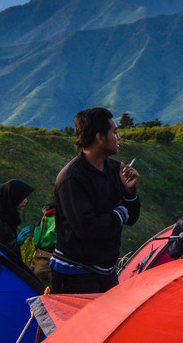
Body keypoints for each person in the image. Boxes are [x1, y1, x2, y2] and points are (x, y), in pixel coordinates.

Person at [51, 108, 140, 294]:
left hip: (105, 273)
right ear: (100, 138)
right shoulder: (72, 179)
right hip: (75, 275)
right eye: (114, 132)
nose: (119, 137)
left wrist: (129, 192)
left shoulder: (115, 169)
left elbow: (131, 218)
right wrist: (120, 212)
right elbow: (87, 229)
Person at [0, 179, 34, 257]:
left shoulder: (8, 219)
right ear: (12, 197)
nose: (26, 201)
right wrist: (16, 243)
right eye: (22, 197)